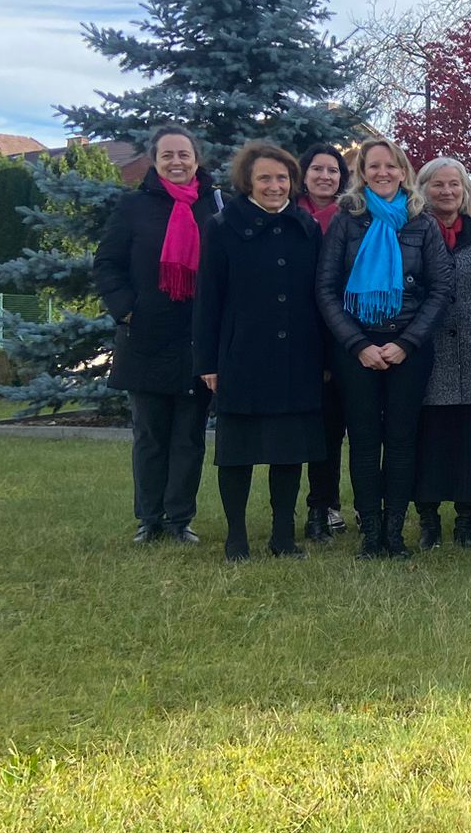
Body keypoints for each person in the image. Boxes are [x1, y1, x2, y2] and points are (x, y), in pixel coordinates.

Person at [315, 139, 454, 559]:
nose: (382, 173)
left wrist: (406, 342)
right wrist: (357, 344)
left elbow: (441, 288)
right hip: (355, 348)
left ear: (402, 171)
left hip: (407, 348)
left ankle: (395, 533)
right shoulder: (347, 220)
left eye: (390, 166)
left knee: (400, 441)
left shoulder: (422, 222)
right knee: (362, 440)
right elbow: (325, 289)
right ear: (363, 172)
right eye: (373, 166)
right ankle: (370, 533)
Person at [193, 142, 327, 561]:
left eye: (282, 178)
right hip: (242, 355)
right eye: (265, 178)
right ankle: (236, 538)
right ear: (248, 182)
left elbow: (319, 296)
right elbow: (208, 298)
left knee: (288, 452)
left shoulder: (306, 226)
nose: (274, 185)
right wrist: (208, 362)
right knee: (237, 453)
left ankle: (283, 537)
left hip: (298, 357)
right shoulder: (222, 225)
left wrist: (323, 358)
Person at [94, 124, 222, 545]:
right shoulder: (134, 207)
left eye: (183, 154)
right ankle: (149, 518)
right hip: (146, 337)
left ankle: (179, 518)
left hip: (196, 338)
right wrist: (127, 309)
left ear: (196, 159)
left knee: (189, 436)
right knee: (149, 435)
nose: (176, 162)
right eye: (167, 155)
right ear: (155, 160)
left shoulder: (216, 207)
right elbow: (107, 264)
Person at [411, 157, 471, 550]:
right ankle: (428, 520)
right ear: (423, 189)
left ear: (465, 190)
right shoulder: (411, 231)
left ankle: (467, 521)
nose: (447, 192)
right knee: (429, 438)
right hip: (425, 348)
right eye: (438, 185)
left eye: (454, 184)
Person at [296, 142, 350, 543]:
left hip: (344, 335)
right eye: (317, 169)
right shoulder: (289, 215)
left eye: (333, 171)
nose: (325, 177)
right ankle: (304, 507)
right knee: (302, 428)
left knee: (332, 428)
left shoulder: (351, 218)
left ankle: (326, 505)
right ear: (305, 174)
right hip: (297, 338)